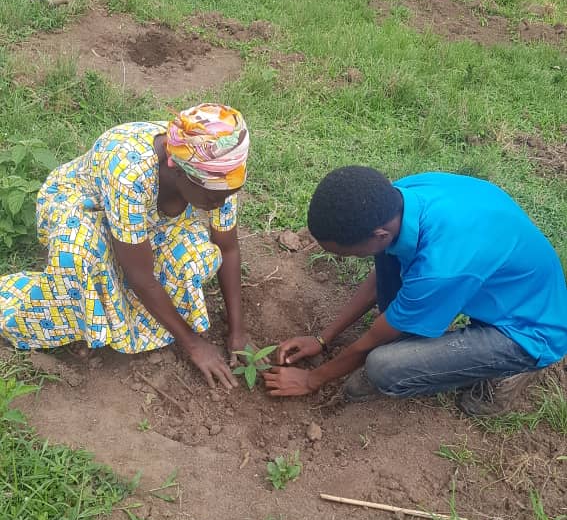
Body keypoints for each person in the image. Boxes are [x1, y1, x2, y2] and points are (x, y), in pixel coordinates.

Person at [264, 167, 567, 416]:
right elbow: (381, 272)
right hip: (500, 280)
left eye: (351, 254)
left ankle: (507, 374)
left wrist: (312, 379)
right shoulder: (399, 198)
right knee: (388, 263)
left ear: (379, 234)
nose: (353, 259)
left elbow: (371, 341)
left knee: (383, 366)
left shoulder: (441, 267)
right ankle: (418, 323)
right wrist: (322, 338)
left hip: (528, 331)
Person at [0, 103, 252, 390]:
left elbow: (227, 247)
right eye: (213, 197)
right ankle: (43, 319)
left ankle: (127, 307)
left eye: (227, 195)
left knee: (197, 257)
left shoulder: (219, 167)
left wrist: (237, 331)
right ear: (180, 172)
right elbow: (141, 278)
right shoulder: (130, 170)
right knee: (80, 256)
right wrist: (194, 344)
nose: (219, 204)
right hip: (88, 209)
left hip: (145, 221)